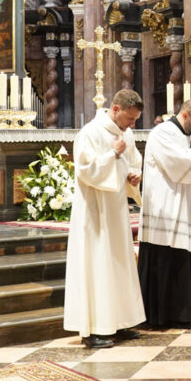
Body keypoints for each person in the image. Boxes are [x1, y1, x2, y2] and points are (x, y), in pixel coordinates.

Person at [63, 89, 146, 348]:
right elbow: (85, 171)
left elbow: (134, 161)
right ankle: (94, 330)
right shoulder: (91, 132)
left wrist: (134, 175)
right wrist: (113, 154)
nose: (132, 125)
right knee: (96, 265)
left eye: (135, 121)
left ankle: (119, 322)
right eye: (130, 119)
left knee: (118, 263)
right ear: (116, 109)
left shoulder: (126, 134)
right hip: (94, 211)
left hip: (117, 209)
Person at [138, 98, 191, 329]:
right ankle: (161, 316)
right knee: (165, 260)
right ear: (186, 115)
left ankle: (181, 312)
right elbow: (179, 167)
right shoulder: (163, 133)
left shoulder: (184, 136)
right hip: (164, 207)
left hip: (181, 206)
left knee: (180, 260)